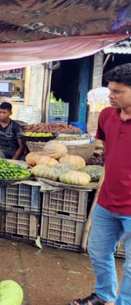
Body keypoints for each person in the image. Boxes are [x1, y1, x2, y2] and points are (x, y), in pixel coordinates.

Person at [71, 64, 131, 305]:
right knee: (97, 253)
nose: (111, 96)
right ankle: (104, 295)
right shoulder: (107, 115)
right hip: (107, 202)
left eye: (117, 91)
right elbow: (108, 153)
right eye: (110, 90)